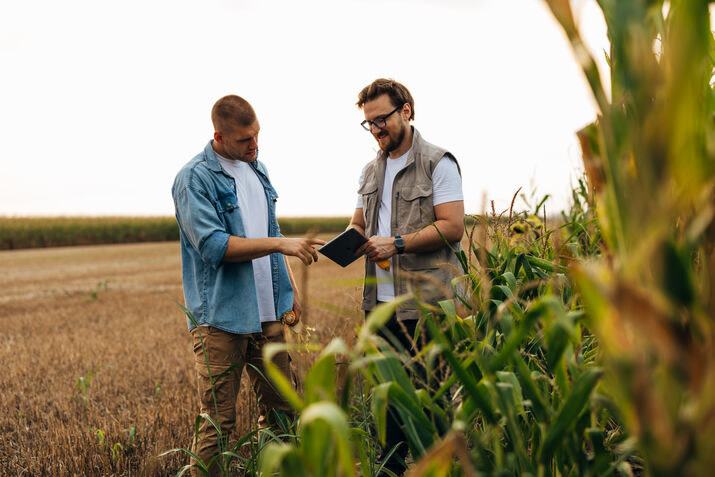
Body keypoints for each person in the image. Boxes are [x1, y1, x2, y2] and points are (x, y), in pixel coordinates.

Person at [171, 94, 325, 476]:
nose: (255, 146)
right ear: (219, 136)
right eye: (245, 140)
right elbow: (214, 246)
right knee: (219, 426)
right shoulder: (194, 179)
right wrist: (280, 245)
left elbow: (269, 229)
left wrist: (287, 286)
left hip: (269, 313)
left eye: (257, 136)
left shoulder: (257, 169)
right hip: (222, 318)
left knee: (283, 415)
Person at [350, 78, 465, 475]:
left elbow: (452, 227)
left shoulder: (439, 162)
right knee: (388, 410)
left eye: (381, 120)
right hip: (379, 309)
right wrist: (348, 244)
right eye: (369, 124)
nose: (376, 130)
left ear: (406, 111)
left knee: (432, 407)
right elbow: (359, 224)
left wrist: (395, 244)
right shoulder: (369, 170)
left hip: (425, 306)